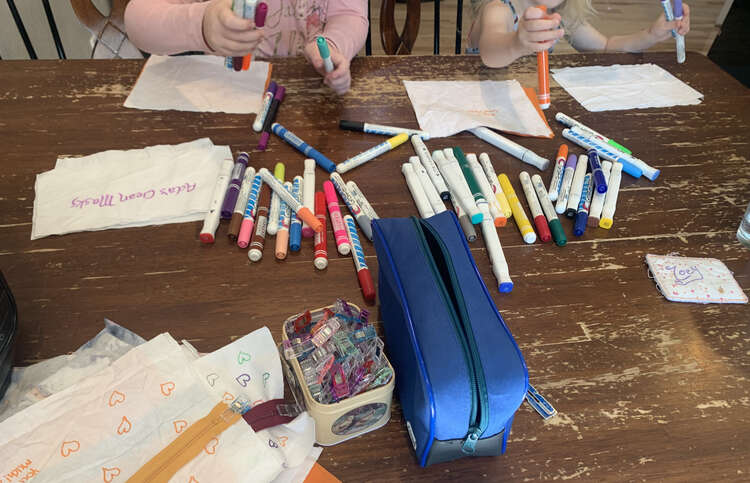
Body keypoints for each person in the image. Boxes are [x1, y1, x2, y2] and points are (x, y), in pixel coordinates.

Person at [124, 0, 368, 94]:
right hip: (223, 95)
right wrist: (199, 24)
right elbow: (138, 19)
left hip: (307, 95)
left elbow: (350, 14)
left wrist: (332, 43)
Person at [468, 0, 691, 68]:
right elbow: (490, 53)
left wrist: (651, 34)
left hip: (527, 101)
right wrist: (517, 43)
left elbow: (605, 47)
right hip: (478, 102)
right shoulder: (499, 8)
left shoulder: (559, 13)